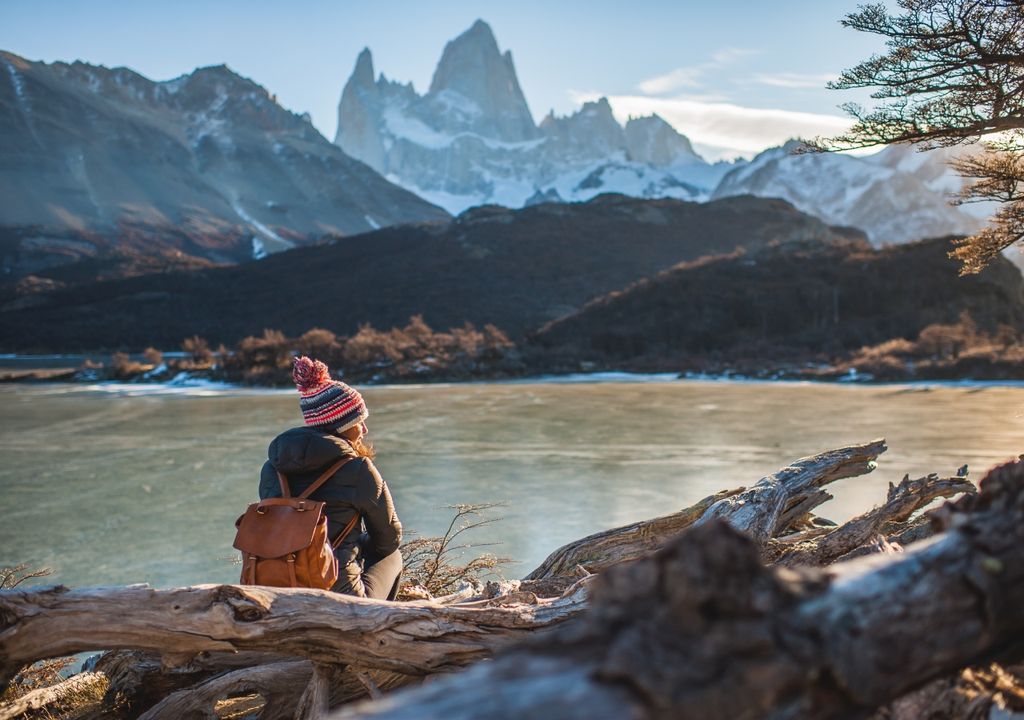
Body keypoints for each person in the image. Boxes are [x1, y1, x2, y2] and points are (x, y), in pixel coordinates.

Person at [259, 356, 403, 599]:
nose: (364, 430)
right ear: (340, 424)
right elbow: (389, 538)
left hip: (282, 591)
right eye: (359, 421)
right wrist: (358, 543)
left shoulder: (273, 469)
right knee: (392, 555)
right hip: (343, 599)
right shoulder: (357, 468)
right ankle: (380, 622)